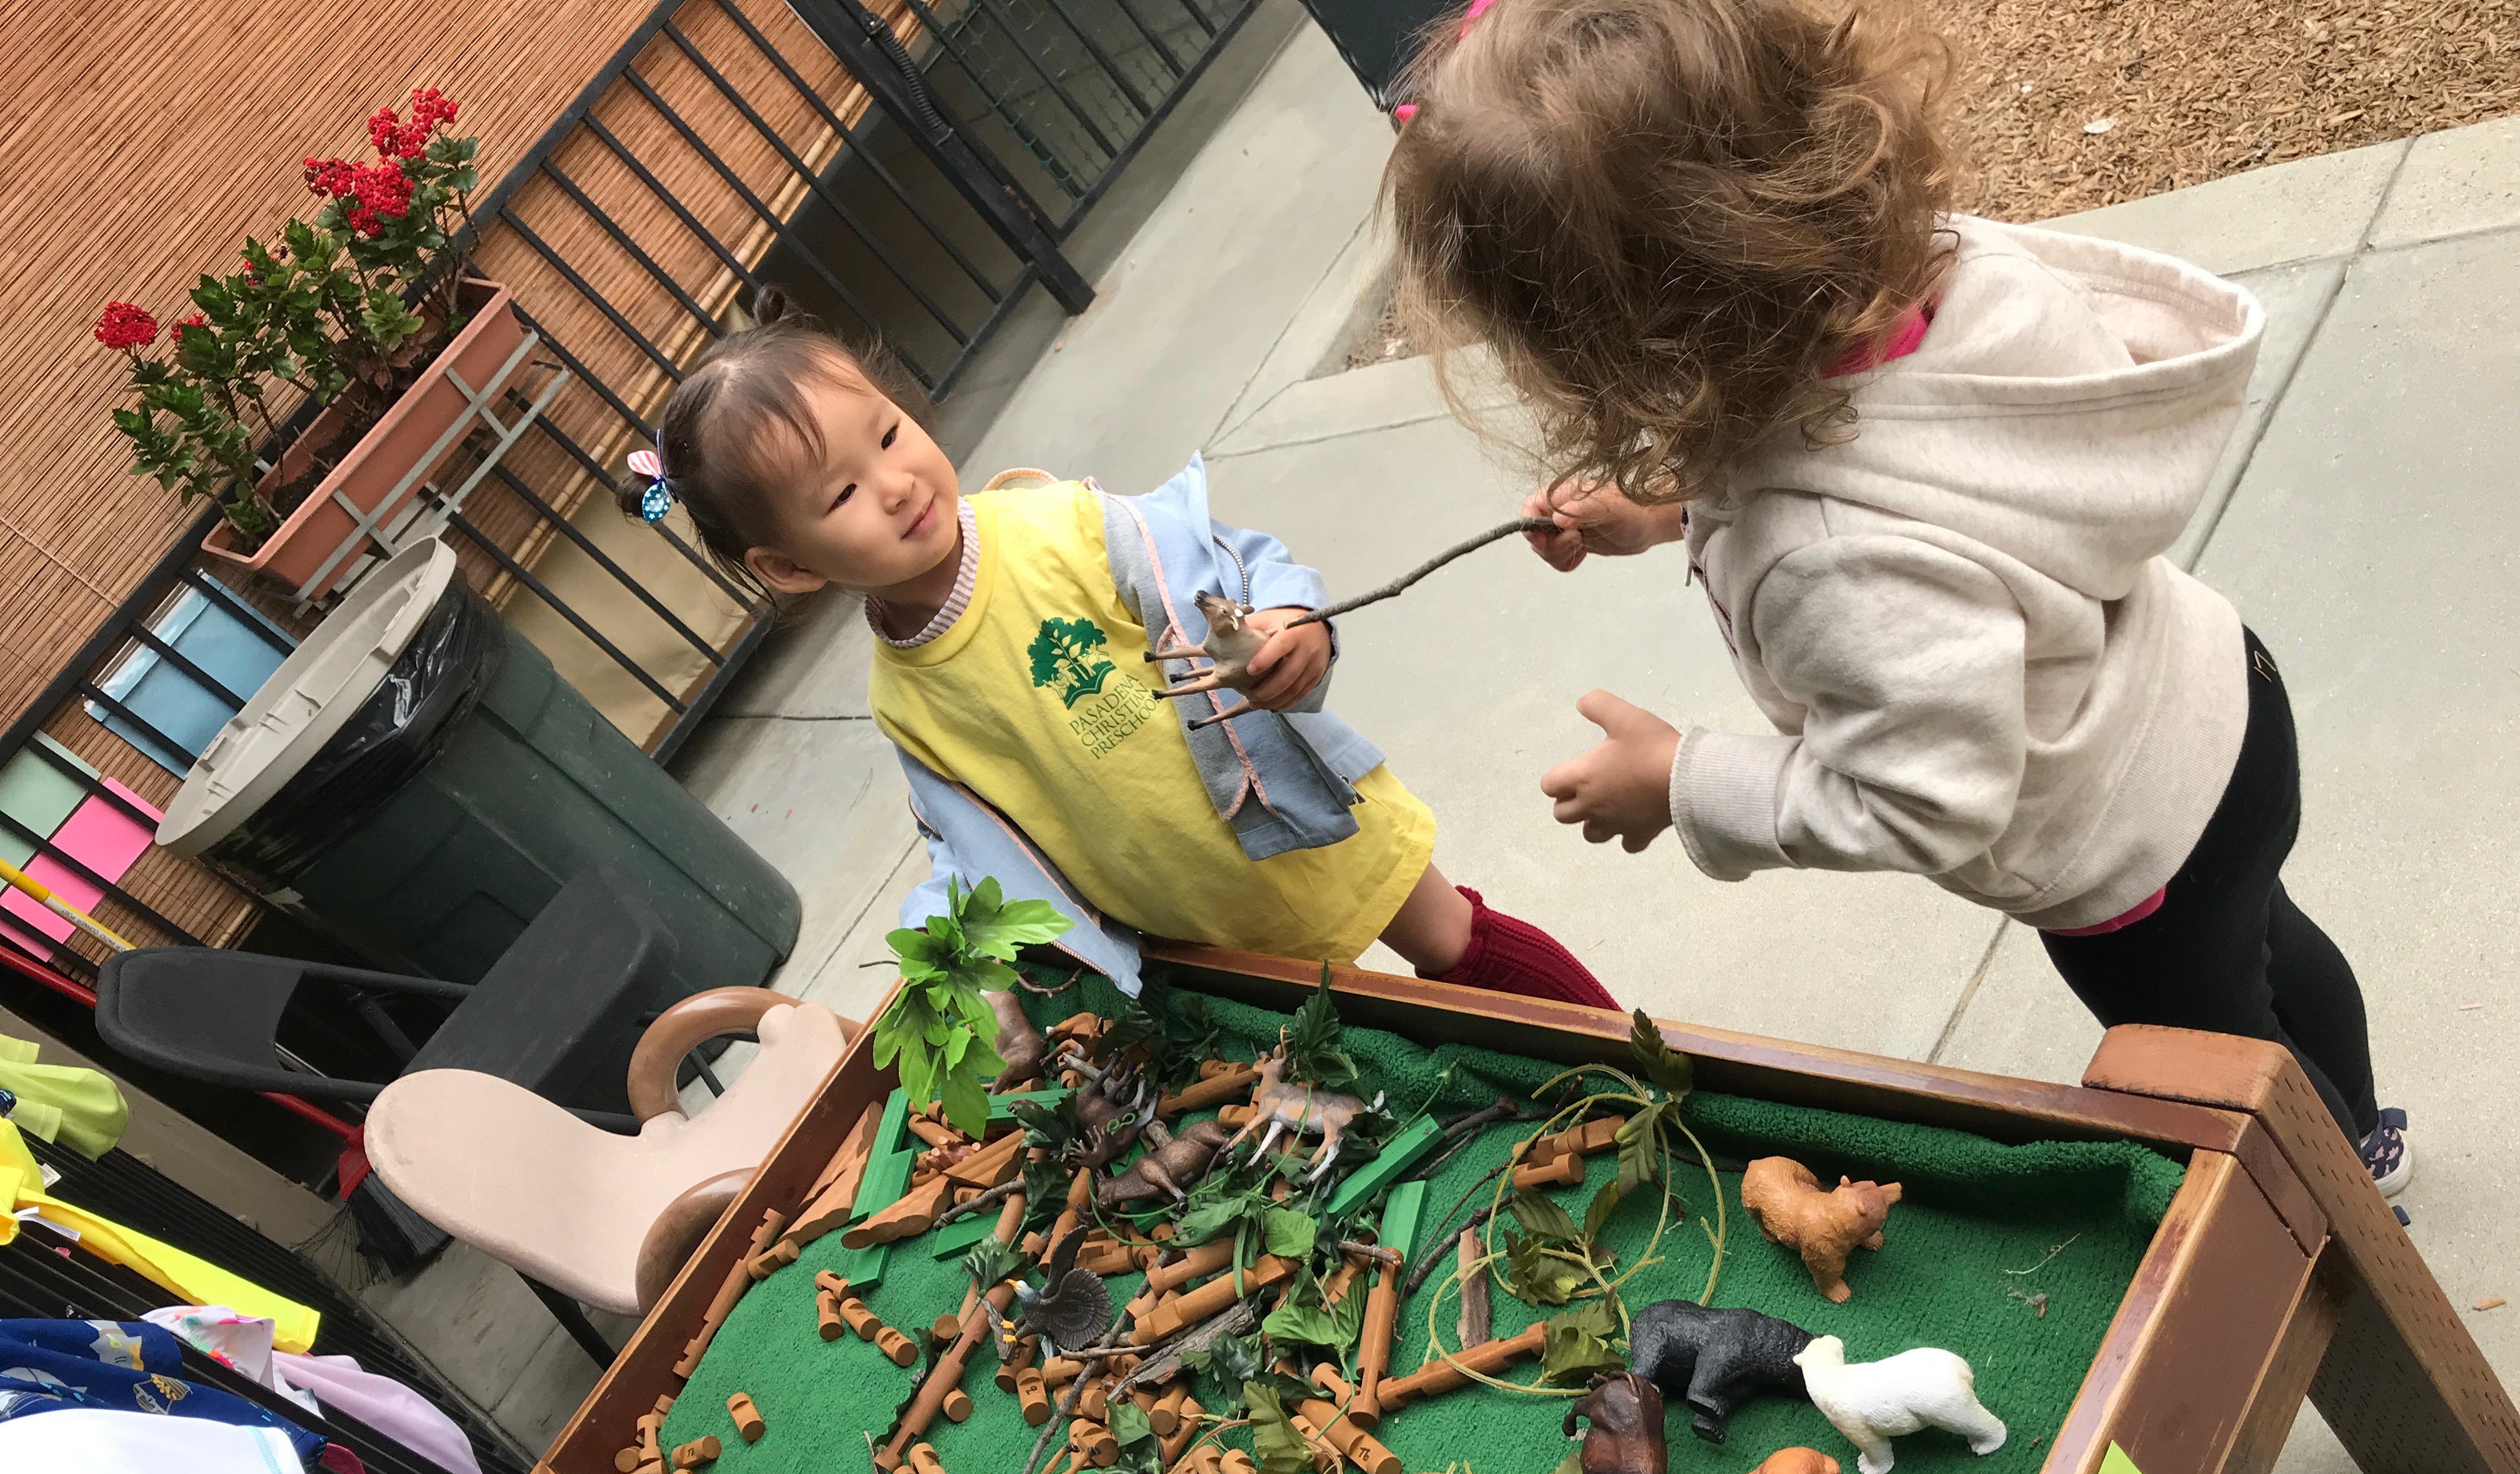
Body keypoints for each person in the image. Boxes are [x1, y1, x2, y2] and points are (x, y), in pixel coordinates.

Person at [1378, 0, 2407, 1189]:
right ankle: (2373, 1135)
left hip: (2131, 849)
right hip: (2224, 704)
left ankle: (2348, 1209)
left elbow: (1930, 797)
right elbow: (1919, 481)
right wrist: (1670, 510)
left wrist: (1682, 781)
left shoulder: (1826, 556)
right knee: (2269, 940)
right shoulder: (1945, 273)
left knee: (2232, 1057)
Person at [614, 291, 1614, 1011]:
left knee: (1454, 943)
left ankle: (1643, 1062)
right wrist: (958, 956)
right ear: (790, 567)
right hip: (1185, 908)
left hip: (1291, 814)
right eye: (840, 495)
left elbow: (1227, 564)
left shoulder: (1058, 526)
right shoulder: (902, 698)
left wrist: (1290, 621)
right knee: (1342, 1033)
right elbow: (967, 837)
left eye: (886, 435)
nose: (895, 483)